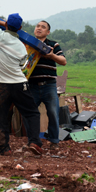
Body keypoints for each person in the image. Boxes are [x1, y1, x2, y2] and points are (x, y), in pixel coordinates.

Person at [0, 13, 43, 156]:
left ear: (6, 24)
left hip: (0, 86)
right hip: (18, 84)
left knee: (0, 117)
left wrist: (1, 23)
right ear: (20, 28)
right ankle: (34, 142)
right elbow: (22, 64)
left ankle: (4, 148)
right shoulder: (21, 47)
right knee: (32, 113)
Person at [28, 20, 67, 149]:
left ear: (48, 32)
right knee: (30, 114)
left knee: (53, 113)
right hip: (32, 85)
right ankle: (32, 141)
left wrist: (51, 56)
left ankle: (54, 141)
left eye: (43, 27)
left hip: (49, 85)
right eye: (38, 26)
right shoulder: (28, 43)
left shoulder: (53, 45)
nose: (39, 28)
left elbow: (63, 61)